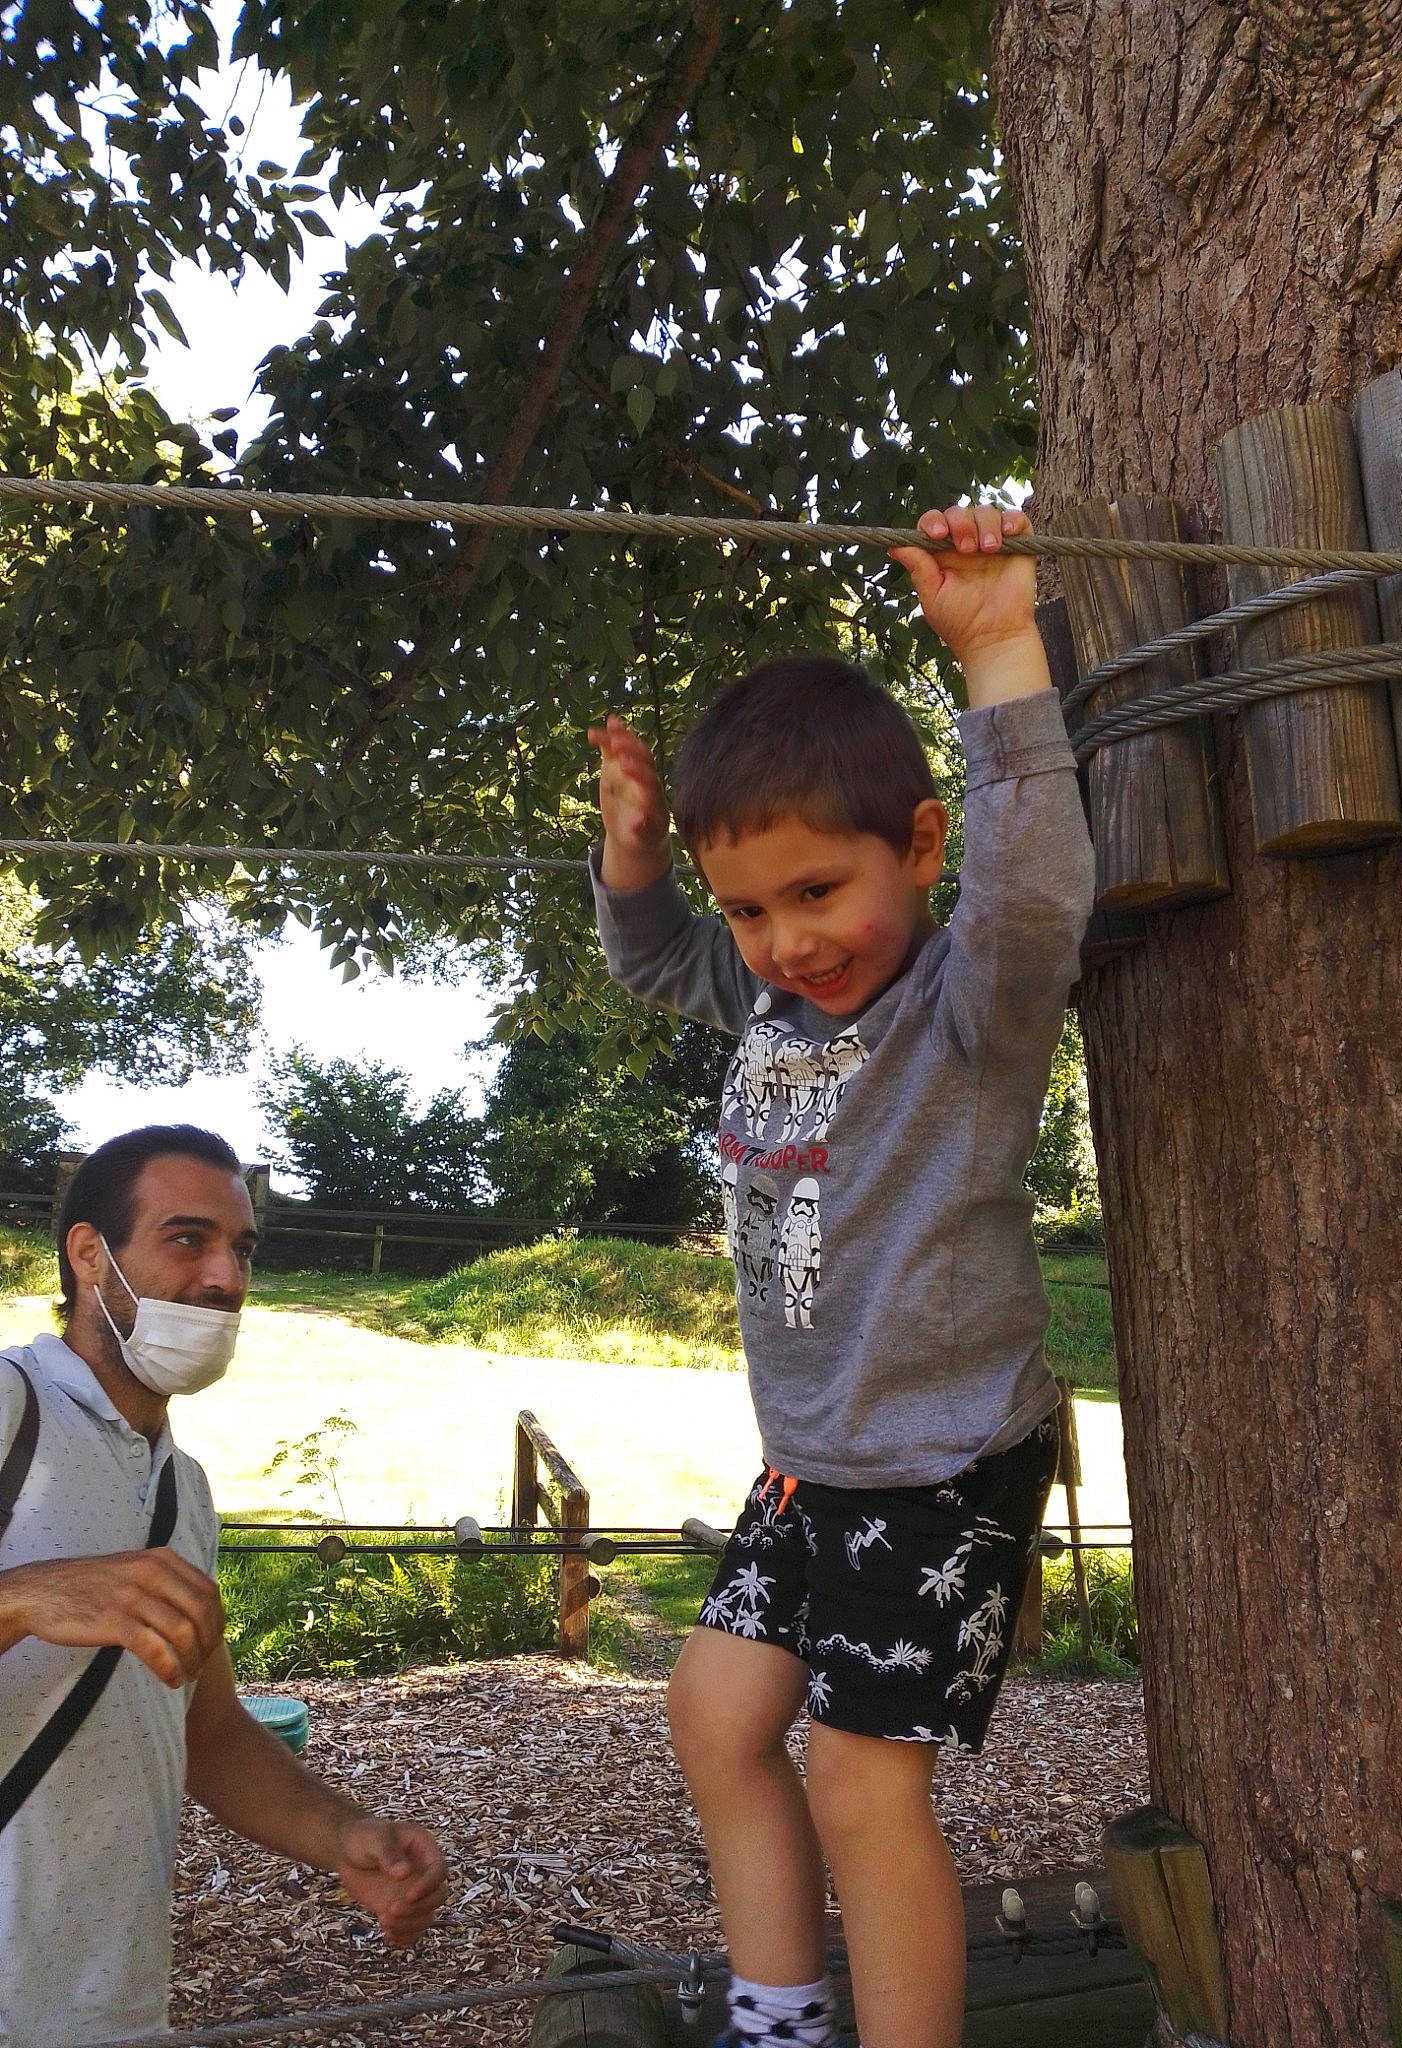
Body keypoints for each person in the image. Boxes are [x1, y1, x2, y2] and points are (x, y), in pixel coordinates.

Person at [587, 503, 1096, 2048]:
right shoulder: (775, 1010)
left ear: (921, 843)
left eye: (819, 893)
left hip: (939, 1463)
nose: (785, 942)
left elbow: (1038, 892)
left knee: (863, 1779)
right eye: (753, 907)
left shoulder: (964, 1005)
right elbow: (663, 960)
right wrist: (632, 866)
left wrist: (1000, 646)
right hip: (814, 1466)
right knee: (717, 1714)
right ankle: (780, 2020)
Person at [0, 1126, 449, 2048]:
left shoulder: (184, 1489)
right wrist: (22, 1598)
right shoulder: (10, 1408)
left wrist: (345, 1838)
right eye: (186, 1239)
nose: (227, 1280)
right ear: (90, 1255)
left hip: (108, 2003)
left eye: (241, 1249)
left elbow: (205, 1731)